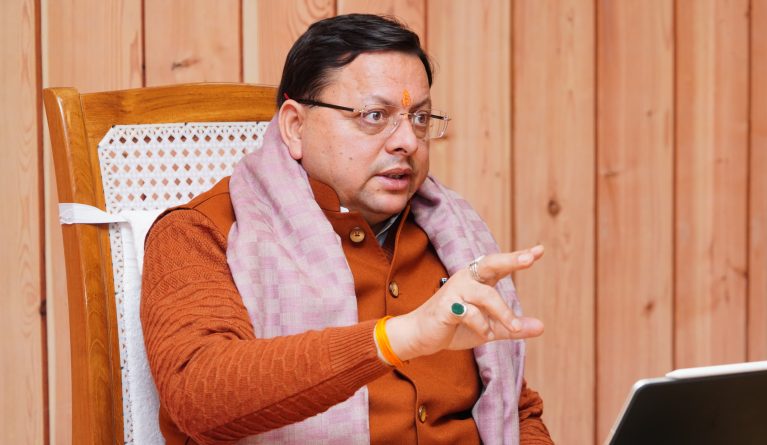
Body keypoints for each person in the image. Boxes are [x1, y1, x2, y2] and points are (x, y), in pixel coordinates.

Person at [141, 13, 553, 445]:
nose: (407, 141)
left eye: (419, 118)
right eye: (375, 115)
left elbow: (516, 411)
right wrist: (397, 338)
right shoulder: (200, 232)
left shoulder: (454, 233)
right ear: (295, 127)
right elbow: (197, 396)